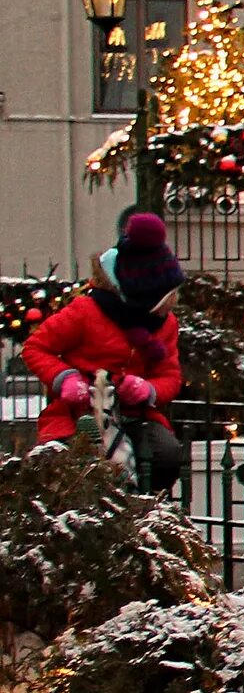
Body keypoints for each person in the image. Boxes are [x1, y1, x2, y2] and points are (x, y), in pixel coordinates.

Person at [24, 211, 188, 493]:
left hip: (134, 415)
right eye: (164, 300)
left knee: (165, 455)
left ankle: (138, 505)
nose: (169, 307)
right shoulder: (85, 311)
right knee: (76, 462)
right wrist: (65, 377)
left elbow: (169, 375)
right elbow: (36, 347)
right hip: (78, 411)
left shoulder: (165, 323)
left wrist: (147, 389)